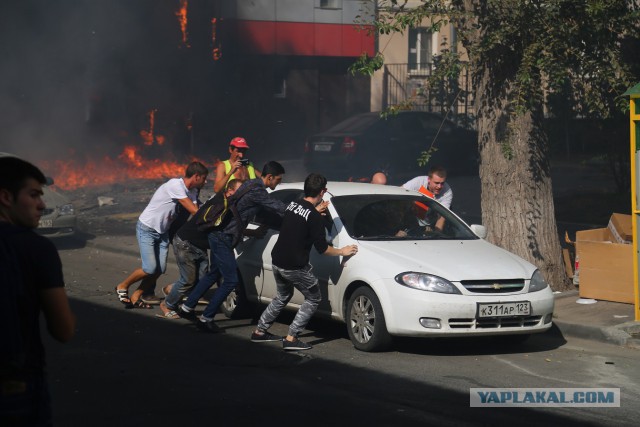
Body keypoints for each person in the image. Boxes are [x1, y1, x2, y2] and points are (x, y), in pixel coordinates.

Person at [0, 154, 76, 425]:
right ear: (6, 197)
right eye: (33, 195)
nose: (42, 204)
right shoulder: (36, 249)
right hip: (14, 389)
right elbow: (63, 329)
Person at [251, 173, 358, 351]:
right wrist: (342, 251)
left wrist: (314, 212)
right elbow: (323, 249)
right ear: (323, 191)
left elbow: (300, 217)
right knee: (313, 298)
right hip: (294, 266)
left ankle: (259, 332)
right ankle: (291, 338)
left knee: (283, 296)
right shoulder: (314, 217)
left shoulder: (294, 204)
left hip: (277, 260)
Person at [179, 161, 289, 333]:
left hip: (218, 234)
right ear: (269, 177)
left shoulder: (250, 183)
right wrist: (302, 210)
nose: (279, 183)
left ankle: (186, 307)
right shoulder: (258, 190)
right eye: (278, 180)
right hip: (223, 237)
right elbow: (277, 207)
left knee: (214, 273)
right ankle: (206, 318)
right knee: (231, 280)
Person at [115, 161, 208, 308]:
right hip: (147, 228)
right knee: (150, 268)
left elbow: (197, 211)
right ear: (196, 177)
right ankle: (122, 285)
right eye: (204, 178)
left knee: (160, 269)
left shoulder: (193, 191)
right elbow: (195, 212)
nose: (206, 181)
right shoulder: (175, 185)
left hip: (163, 231)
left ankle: (137, 294)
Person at [158, 179, 244, 319]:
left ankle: (172, 290)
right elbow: (219, 188)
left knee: (201, 279)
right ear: (229, 192)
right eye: (238, 190)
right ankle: (167, 304)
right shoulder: (219, 201)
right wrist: (232, 169)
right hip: (185, 243)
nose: (241, 194)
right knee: (188, 281)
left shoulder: (231, 206)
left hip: (199, 246)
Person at [402, 165, 452, 230]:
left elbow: (441, 218)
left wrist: (436, 234)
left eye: (442, 183)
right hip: (410, 221)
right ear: (429, 180)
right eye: (436, 183)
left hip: (430, 225)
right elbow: (398, 193)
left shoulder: (447, 192)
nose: (439, 186)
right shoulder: (417, 182)